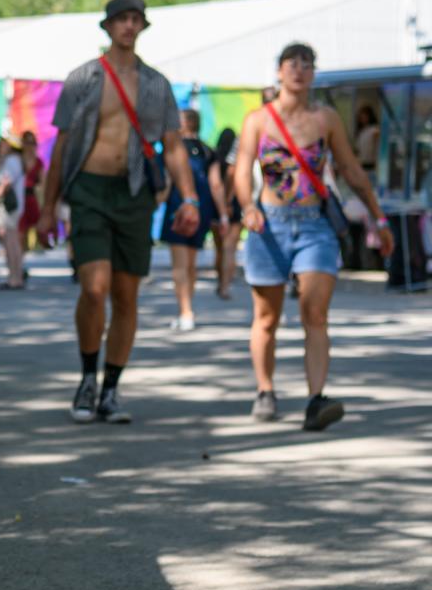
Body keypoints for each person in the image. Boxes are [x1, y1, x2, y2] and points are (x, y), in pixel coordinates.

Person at [36, 0, 201, 424]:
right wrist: (48, 207)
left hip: (134, 193)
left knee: (126, 295)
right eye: (121, 19)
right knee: (94, 288)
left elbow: (173, 145)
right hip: (89, 188)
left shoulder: (156, 84)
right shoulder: (82, 78)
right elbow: (62, 147)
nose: (128, 26)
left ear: (142, 26)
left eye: (135, 19)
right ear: (107, 26)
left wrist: (189, 198)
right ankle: (86, 378)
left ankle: (110, 389)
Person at [231, 42, 394, 430]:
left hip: (314, 225)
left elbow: (351, 169)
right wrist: (247, 206)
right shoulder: (258, 120)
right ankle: (265, 390)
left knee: (315, 313)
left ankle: (316, 400)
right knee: (266, 317)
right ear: (278, 71)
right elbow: (241, 168)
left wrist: (379, 219)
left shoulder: (326, 119)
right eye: (292, 63)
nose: (299, 70)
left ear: (314, 73)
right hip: (268, 224)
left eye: (307, 64)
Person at [160, 109, 229, 331]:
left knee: (180, 264)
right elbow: (216, 185)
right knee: (190, 262)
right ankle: (187, 307)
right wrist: (223, 215)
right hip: (202, 209)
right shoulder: (208, 151)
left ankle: (185, 310)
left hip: (178, 206)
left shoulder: (173, 148)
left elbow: (166, 180)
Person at [0, 135, 28, 289]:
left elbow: (6, 182)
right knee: (12, 241)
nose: (1, 146)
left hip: (10, 206)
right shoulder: (13, 160)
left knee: (10, 242)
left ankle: (14, 277)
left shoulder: (12, 161)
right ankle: (15, 276)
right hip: (11, 206)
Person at [209, 128, 240, 299]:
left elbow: (215, 184)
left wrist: (221, 209)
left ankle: (221, 281)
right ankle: (225, 285)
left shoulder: (215, 160)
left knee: (220, 249)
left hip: (216, 206)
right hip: (232, 206)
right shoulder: (234, 161)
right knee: (229, 249)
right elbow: (231, 175)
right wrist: (228, 202)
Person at [17, 130, 47, 249]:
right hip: (19, 198)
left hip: (32, 198)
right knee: (20, 231)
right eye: (27, 142)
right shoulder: (17, 160)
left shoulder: (38, 162)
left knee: (37, 227)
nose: (29, 146)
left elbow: (43, 183)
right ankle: (21, 255)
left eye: (32, 143)